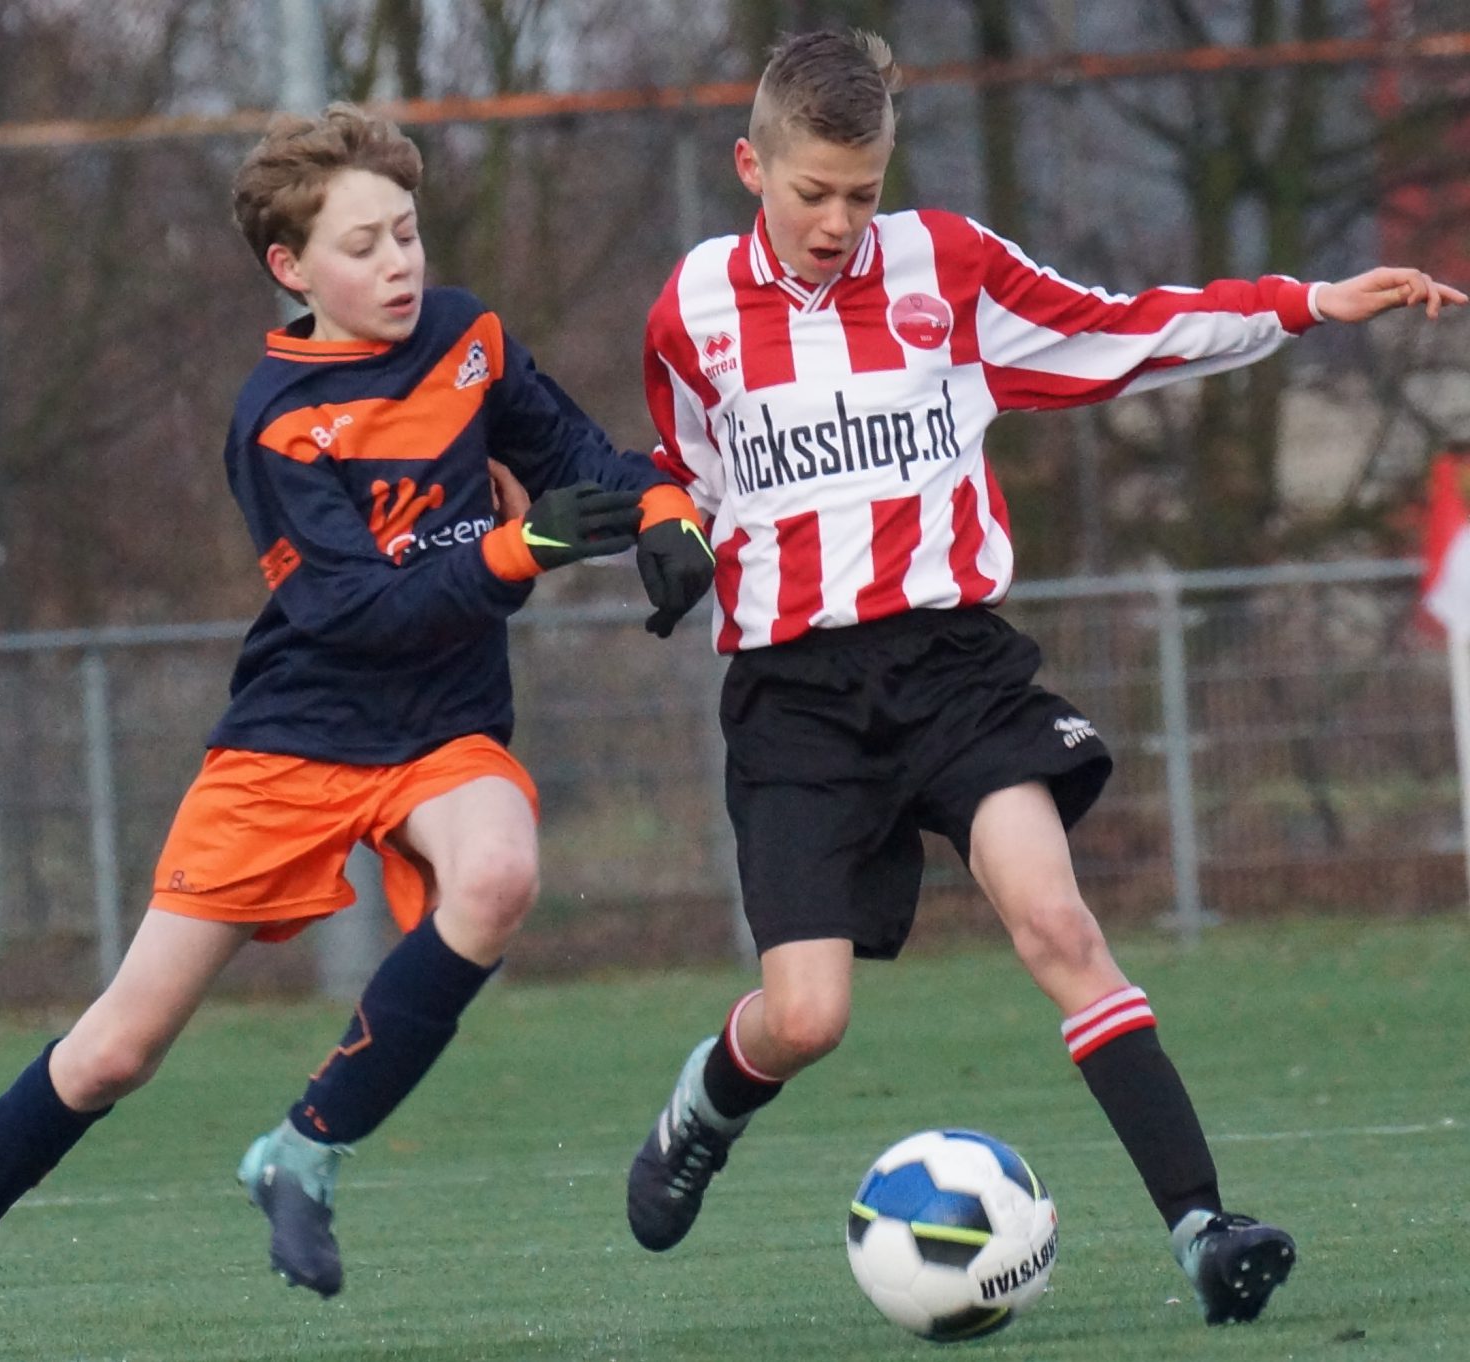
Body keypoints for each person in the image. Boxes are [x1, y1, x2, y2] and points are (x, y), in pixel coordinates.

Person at [0, 102, 716, 1360]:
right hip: (293, 741)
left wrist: (664, 512)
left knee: (499, 873)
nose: (397, 264)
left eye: (406, 233)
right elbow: (354, 614)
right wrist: (520, 549)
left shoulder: (469, 340)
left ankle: (304, 1151)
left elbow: (586, 457)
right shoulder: (276, 419)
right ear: (290, 269)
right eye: (361, 246)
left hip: (441, 732)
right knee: (113, 1051)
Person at [622, 27, 1464, 1330]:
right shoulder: (691, 308)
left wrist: (1303, 302)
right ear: (751, 166)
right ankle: (706, 1103)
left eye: (862, 192)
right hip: (796, 700)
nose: (838, 221)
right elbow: (680, 468)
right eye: (811, 193)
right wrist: (662, 525)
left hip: (951, 669)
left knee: (1058, 925)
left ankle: (1202, 1226)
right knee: (808, 1015)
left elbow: (1116, 330)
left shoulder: (946, 267)